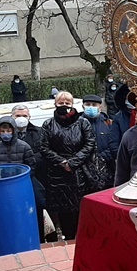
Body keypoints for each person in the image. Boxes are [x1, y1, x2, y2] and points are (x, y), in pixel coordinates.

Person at [40, 91, 100, 240]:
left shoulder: (82, 122)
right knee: (64, 215)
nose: (64, 105)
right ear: (55, 104)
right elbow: (44, 148)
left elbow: (90, 144)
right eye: (61, 103)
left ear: (73, 105)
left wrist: (73, 163)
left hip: (81, 173)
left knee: (82, 211)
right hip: (57, 176)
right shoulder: (48, 124)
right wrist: (62, 162)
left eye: (67, 103)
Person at [10, 104, 48, 242]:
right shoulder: (4, 133)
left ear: (29, 117)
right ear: (12, 117)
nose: (21, 119)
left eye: (24, 116)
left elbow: (44, 152)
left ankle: (39, 240)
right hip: (13, 181)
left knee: (36, 212)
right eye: (18, 116)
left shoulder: (39, 132)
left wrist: (27, 162)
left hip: (36, 179)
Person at [82, 94, 117, 190]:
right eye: (88, 104)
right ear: (83, 106)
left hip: (107, 169)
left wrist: (102, 157)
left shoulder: (108, 123)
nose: (91, 107)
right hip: (85, 171)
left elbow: (114, 144)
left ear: (100, 107)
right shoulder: (77, 124)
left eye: (94, 105)